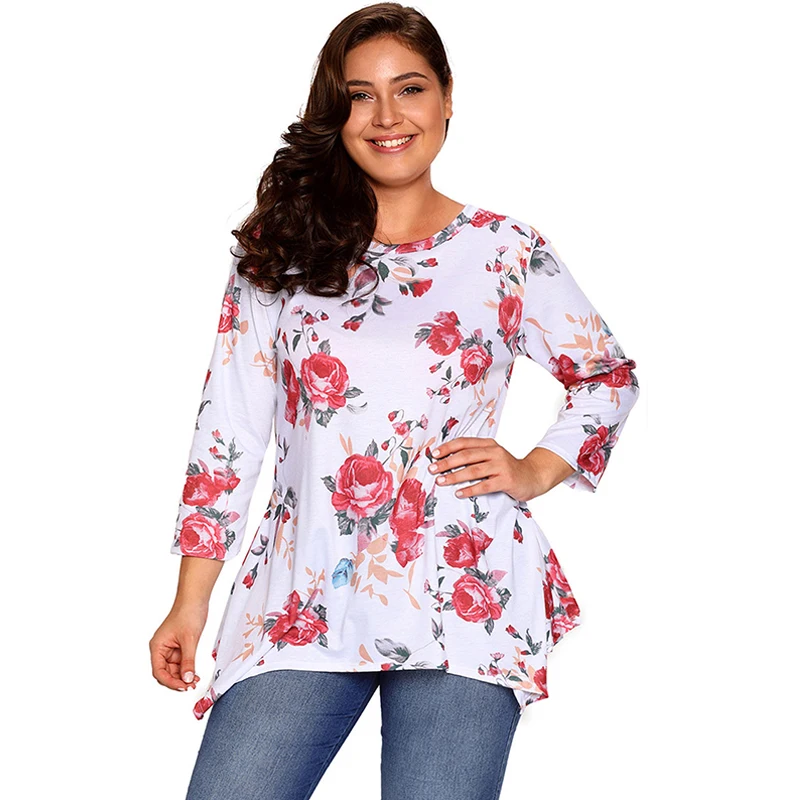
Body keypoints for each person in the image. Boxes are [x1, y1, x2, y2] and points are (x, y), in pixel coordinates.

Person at [149, 3, 640, 799]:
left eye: (409, 89)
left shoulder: (505, 251)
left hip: (464, 592)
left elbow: (606, 376)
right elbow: (227, 433)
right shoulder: (280, 251)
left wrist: (535, 468)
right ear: (335, 112)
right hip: (301, 595)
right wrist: (189, 601)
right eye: (360, 95)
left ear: (447, 98)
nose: (387, 117)